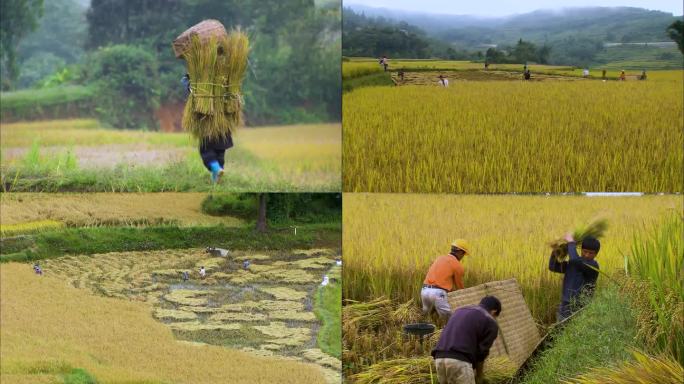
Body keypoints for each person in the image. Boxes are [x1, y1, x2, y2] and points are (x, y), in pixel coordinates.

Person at [431, 296, 502, 384]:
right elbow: (482, 353)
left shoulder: (460, 311)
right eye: (495, 317)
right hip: (459, 362)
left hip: (439, 359)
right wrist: (479, 375)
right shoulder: (490, 321)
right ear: (494, 312)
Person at [549, 234, 600, 322]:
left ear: (596, 254)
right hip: (565, 307)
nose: (587, 255)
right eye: (585, 251)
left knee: (577, 333)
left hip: (581, 308)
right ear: (581, 250)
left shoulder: (593, 266)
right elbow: (553, 267)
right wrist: (555, 252)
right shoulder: (573, 263)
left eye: (591, 253)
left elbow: (575, 260)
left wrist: (571, 243)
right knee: (561, 333)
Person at [422, 239, 471, 320]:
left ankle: (422, 331)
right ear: (460, 252)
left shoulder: (439, 258)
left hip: (424, 290)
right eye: (463, 254)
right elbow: (460, 289)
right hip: (438, 294)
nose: (462, 257)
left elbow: (440, 278)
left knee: (426, 318)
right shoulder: (457, 265)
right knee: (451, 320)